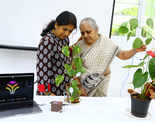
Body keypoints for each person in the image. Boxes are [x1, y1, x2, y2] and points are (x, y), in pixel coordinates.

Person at [75, 17, 146, 97]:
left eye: (88, 32)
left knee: (99, 107)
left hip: (102, 83)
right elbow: (73, 69)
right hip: (84, 87)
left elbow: (122, 55)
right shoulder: (79, 46)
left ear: (96, 29)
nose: (85, 35)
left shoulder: (106, 42)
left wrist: (135, 50)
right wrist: (80, 87)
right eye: (82, 33)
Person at [36, 11, 77, 95]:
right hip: (50, 93)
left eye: (70, 31)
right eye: (64, 29)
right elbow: (41, 71)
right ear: (56, 25)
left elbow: (63, 60)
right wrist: (47, 93)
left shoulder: (65, 39)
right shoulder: (47, 41)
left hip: (62, 90)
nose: (67, 34)